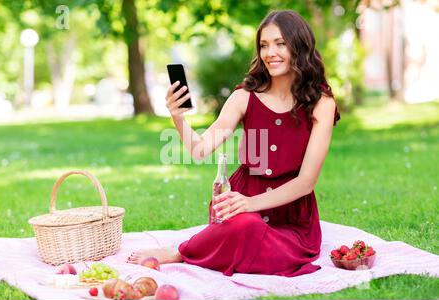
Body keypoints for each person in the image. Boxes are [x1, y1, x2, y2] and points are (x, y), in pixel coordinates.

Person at [127, 9, 340, 277]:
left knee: (249, 231)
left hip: (291, 215)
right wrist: (177, 117)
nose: (270, 52)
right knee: (244, 226)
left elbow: (306, 181)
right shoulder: (245, 96)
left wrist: (251, 204)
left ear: (300, 46)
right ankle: (204, 246)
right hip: (240, 201)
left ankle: (182, 252)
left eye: (280, 43)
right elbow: (200, 150)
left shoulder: (321, 103)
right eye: (264, 45)